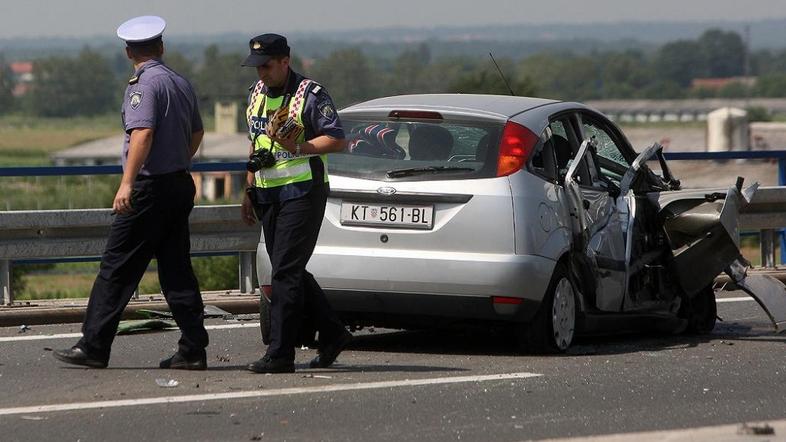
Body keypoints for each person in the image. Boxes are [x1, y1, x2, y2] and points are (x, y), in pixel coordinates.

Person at [53, 16, 208, 370]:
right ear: (161, 47)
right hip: (178, 184)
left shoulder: (143, 86)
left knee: (117, 267)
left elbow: (142, 134)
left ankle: (94, 346)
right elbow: (197, 132)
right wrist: (178, 159)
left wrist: (126, 183)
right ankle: (193, 348)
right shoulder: (180, 82)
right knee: (176, 269)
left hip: (149, 189)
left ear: (128, 52)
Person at [241, 33, 352, 374]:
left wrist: (300, 147)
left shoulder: (311, 95)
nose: (261, 73)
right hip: (268, 193)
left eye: (267, 66)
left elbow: (336, 139)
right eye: (257, 66)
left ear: (285, 62)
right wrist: (248, 189)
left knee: (284, 273)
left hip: (302, 192)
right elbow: (255, 142)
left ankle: (280, 353)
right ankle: (333, 334)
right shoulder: (257, 94)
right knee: (290, 270)